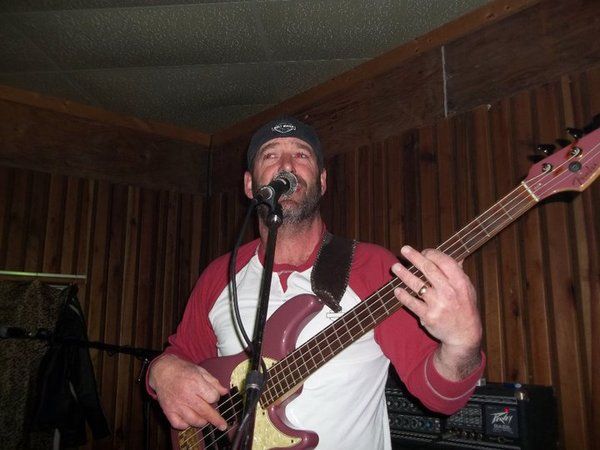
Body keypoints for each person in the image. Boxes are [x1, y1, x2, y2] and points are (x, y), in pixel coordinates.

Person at [147, 117, 485, 449]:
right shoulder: (219, 276)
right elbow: (181, 356)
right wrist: (160, 372)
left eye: (301, 154)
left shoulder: (373, 268)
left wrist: (462, 344)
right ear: (250, 185)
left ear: (322, 181)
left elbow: (441, 398)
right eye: (270, 155)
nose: (286, 165)